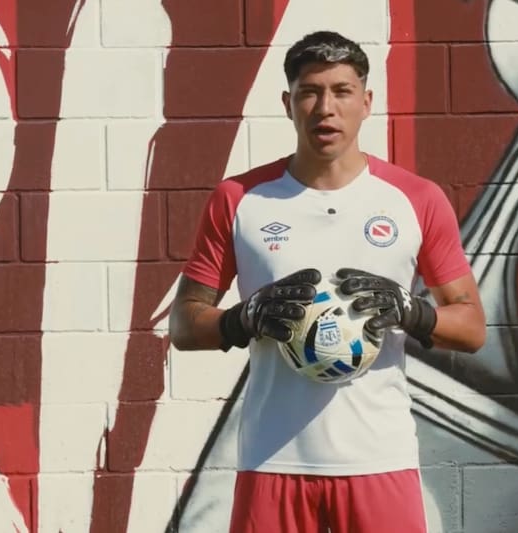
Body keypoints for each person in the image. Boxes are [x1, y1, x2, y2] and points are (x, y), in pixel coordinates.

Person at [169, 30, 486, 533]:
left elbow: (471, 327)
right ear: (287, 104)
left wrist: (411, 311)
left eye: (341, 91)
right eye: (310, 92)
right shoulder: (239, 199)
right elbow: (183, 326)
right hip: (272, 460)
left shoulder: (415, 199)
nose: (325, 108)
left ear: (366, 102)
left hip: (379, 459)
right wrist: (242, 319)